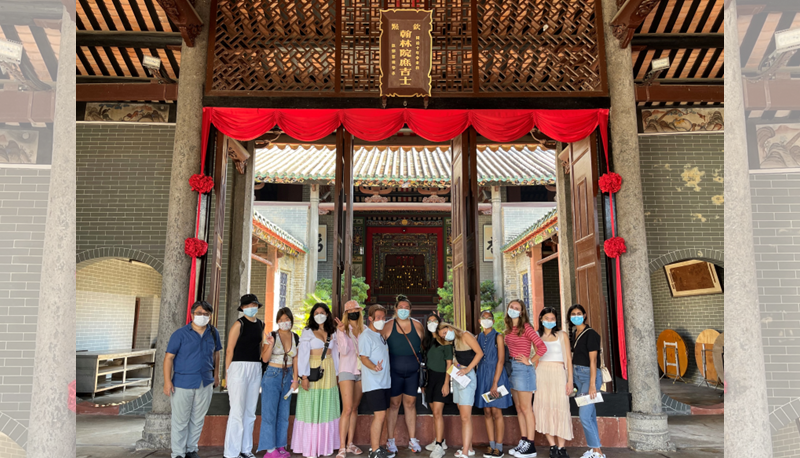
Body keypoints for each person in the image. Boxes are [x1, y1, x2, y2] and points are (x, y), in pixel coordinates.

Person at [164, 300, 222, 458]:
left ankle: (191, 449)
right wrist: (167, 381)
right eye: (199, 313)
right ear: (192, 314)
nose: (202, 316)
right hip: (182, 383)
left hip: (205, 382)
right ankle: (178, 453)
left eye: (206, 314)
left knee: (198, 419)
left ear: (210, 316)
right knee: (180, 420)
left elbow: (217, 354)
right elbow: (169, 358)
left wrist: (216, 375)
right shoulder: (180, 334)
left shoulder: (213, 332)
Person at [292, 303, 341, 458]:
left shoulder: (332, 331)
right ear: (313, 315)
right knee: (311, 406)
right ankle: (310, 446)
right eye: (316, 312)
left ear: (327, 314)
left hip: (330, 371)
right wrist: (303, 376)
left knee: (327, 406)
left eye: (322, 312)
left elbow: (336, 354)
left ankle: (325, 445)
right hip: (313, 369)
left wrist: (338, 374)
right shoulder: (307, 332)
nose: (319, 315)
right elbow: (302, 355)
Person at [224, 294, 266, 458]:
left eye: (253, 304)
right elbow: (229, 350)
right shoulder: (238, 324)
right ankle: (231, 452)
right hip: (238, 367)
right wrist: (228, 373)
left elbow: (262, 348)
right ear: (242, 308)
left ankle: (245, 449)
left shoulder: (261, 324)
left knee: (250, 411)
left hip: (255, 367)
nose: (251, 307)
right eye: (247, 305)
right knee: (237, 410)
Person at [504, 300, 547, 458]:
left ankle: (531, 445)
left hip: (523, 370)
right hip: (512, 368)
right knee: (519, 408)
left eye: (517, 308)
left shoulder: (526, 327)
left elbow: (542, 347)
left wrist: (530, 360)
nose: (513, 310)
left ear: (522, 312)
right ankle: (523, 441)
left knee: (526, 408)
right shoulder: (509, 329)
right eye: (511, 307)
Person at [382, 295, 425, 454]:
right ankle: (390, 440)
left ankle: (413, 440)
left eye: (406, 308)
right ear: (395, 309)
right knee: (393, 405)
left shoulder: (418, 326)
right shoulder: (387, 326)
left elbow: (423, 347)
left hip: (412, 373)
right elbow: (379, 347)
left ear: (410, 310)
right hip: (394, 372)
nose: (403, 310)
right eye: (401, 307)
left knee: (411, 404)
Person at [257, 307, 300, 458]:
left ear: (291, 320)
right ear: (277, 322)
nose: (284, 322)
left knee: (283, 414)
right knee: (269, 414)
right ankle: (270, 449)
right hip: (272, 375)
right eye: (281, 320)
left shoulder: (295, 337)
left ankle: (280, 445)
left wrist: (296, 379)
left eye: (287, 319)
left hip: (287, 376)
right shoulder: (272, 335)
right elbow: (265, 359)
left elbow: (295, 359)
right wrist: (269, 344)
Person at [438, 322, 484, 458]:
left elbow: (479, 353)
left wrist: (467, 369)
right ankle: (468, 448)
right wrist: (457, 365)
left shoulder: (465, 335)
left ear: (450, 328)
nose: (446, 336)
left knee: (465, 417)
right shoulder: (455, 341)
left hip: (467, 376)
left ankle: (465, 451)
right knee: (463, 414)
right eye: (443, 336)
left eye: (445, 333)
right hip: (458, 376)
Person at [533, 308, 574, 458]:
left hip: (558, 372)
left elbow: (568, 359)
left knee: (560, 407)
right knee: (544, 407)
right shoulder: (537, 336)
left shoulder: (562, 335)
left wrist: (570, 380)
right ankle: (552, 445)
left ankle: (562, 447)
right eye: (546, 318)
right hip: (542, 374)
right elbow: (534, 357)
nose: (549, 321)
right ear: (541, 319)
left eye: (552, 318)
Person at [568, 305, 605, 458]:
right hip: (578, 376)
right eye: (573, 314)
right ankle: (596, 451)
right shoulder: (575, 333)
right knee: (590, 416)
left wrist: (592, 385)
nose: (576, 316)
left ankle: (598, 452)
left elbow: (593, 360)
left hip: (589, 376)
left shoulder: (591, 334)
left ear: (584, 315)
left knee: (584, 416)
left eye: (578, 314)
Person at [475, 311, 512, 458]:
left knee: (497, 411)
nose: (486, 320)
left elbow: (501, 360)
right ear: (479, 321)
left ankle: (499, 447)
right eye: (483, 318)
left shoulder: (498, 336)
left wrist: (495, 383)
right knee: (487, 412)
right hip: (482, 375)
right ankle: (491, 445)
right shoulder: (478, 337)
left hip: (496, 375)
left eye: (489, 318)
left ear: (493, 320)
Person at [359, 305, 393, 458]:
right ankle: (374, 450)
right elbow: (363, 357)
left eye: (383, 318)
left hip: (384, 382)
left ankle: (377, 447)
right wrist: (374, 367)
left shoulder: (379, 335)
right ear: (370, 318)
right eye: (378, 317)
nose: (381, 320)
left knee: (382, 416)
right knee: (379, 416)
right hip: (374, 384)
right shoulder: (366, 335)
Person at [335, 300, 366, 458]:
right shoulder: (342, 329)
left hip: (361, 371)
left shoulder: (364, 329)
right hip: (346, 370)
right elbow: (344, 351)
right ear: (346, 313)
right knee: (346, 409)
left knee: (355, 408)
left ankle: (350, 444)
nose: (354, 312)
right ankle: (341, 446)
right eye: (350, 310)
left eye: (356, 310)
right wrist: (341, 332)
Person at [421, 312, 452, 458]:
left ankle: (439, 446)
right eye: (429, 321)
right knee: (434, 412)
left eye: (434, 321)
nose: (432, 323)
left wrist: (446, 383)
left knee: (438, 412)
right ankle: (440, 440)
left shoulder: (445, 341)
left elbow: (449, 364)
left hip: (441, 378)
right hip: (430, 379)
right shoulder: (426, 342)